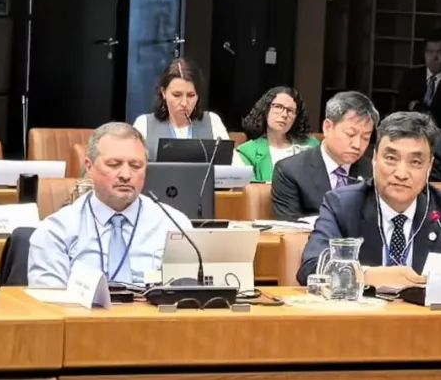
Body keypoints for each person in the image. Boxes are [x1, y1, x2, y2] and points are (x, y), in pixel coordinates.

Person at [297, 111, 441, 286]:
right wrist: (367, 275)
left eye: (415, 162)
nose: (401, 173)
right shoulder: (342, 205)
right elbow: (312, 267)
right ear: (374, 159)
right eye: (391, 158)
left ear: (429, 166)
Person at [28, 122, 194, 287]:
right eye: (114, 165)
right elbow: (48, 300)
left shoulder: (175, 226)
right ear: (89, 167)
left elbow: (189, 297)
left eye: (136, 166)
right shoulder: (56, 231)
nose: (126, 175)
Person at [271, 91, 377, 221]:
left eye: (365, 137)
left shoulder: (374, 172)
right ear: (327, 127)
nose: (357, 144)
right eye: (350, 134)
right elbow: (289, 227)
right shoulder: (290, 171)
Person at [132, 58, 229, 160]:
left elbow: (234, 166)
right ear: (163, 92)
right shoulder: (144, 124)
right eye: (177, 95)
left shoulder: (213, 122)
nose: (184, 103)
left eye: (191, 95)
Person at [235, 86, 320, 182]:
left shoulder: (312, 146)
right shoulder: (247, 152)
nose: (284, 115)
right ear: (265, 109)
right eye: (278, 107)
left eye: (290, 110)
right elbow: (249, 188)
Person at [394, 29, 441, 130]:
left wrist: (415, 106)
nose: (434, 57)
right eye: (429, 52)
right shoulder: (411, 76)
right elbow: (399, 109)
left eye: (440, 52)